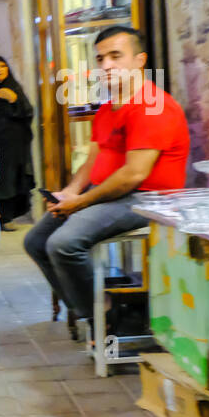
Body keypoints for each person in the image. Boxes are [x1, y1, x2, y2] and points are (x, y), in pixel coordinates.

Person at [25, 25, 189, 325]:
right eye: (100, 59)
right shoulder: (108, 106)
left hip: (148, 199)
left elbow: (133, 174)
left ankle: (109, 317)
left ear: (140, 60)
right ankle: (94, 308)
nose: (106, 66)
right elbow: (93, 159)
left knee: (63, 244)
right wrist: (70, 192)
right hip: (112, 194)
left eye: (116, 56)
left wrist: (82, 202)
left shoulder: (152, 106)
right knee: (36, 240)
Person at [0, 56, 35, 228]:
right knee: (2, 180)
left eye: (2, 66)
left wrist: (14, 99)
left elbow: (28, 111)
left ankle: (11, 216)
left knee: (15, 178)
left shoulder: (14, 86)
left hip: (17, 142)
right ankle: (2, 218)